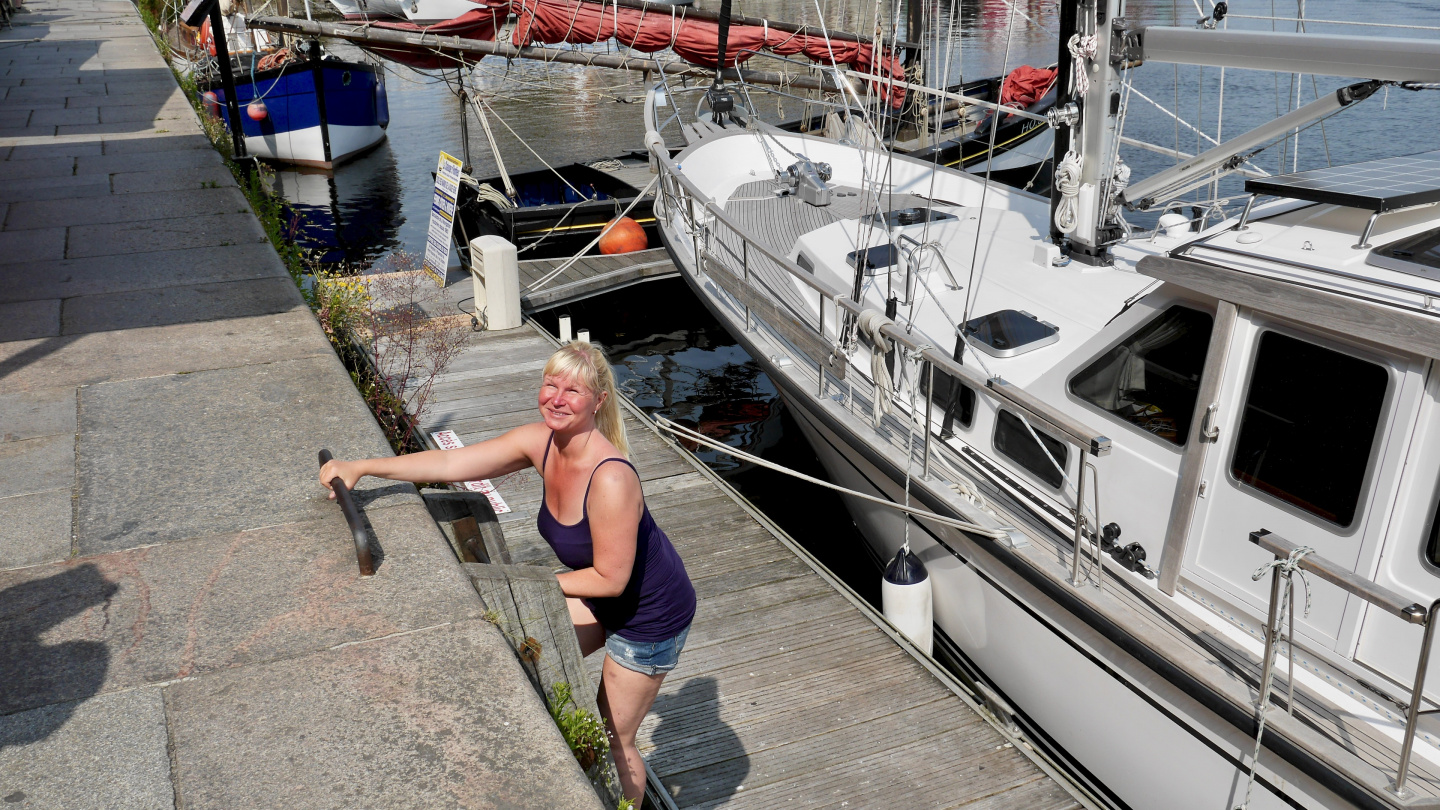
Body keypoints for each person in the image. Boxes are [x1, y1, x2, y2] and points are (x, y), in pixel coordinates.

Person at [319, 341, 696, 807]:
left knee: (613, 740)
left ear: (598, 402)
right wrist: (363, 468)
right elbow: (451, 463)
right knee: (523, 656)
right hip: (605, 594)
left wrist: (520, 586)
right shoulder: (541, 441)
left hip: (648, 616)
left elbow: (610, 580)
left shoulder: (611, 477)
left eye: (573, 391)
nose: (556, 398)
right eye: (550, 384)